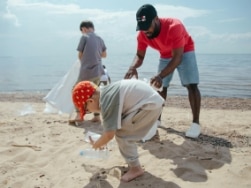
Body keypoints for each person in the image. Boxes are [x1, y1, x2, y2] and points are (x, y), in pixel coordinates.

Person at [124, 4, 201, 138]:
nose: (145, 31)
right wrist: (133, 67)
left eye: (147, 26)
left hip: (184, 51)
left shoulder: (174, 27)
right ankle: (157, 119)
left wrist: (160, 75)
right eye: (142, 28)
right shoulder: (142, 34)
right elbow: (140, 56)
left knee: (191, 85)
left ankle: (195, 124)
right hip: (165, 54)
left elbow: (177, 58)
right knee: (159, 87)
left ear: (156, 19)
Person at [72, 80, 164, 182]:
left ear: (90, 101)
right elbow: (111, 126)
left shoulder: (106, 102)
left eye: (87, 110)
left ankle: (136, 168)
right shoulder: (106, 93)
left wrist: (98, 144)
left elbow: (109, 134)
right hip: (150, 101)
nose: (89, 112)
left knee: (123, 135)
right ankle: (133, 161)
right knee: (122, 128)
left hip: (148, 106)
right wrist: (104, 140)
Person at [69, 20, 107, 124]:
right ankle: (97, 116)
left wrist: (84, 60)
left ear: (84, 29)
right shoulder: (100, 39)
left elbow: (80, 55)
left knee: (75, 90)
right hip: (98, 71)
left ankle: (78, 114)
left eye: (82, 31)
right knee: (95, 93)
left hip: (87, 71)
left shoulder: (84, 37)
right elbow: (104, 55)